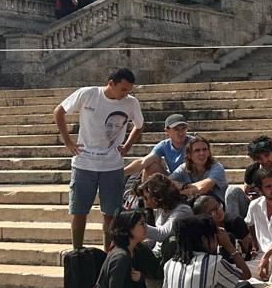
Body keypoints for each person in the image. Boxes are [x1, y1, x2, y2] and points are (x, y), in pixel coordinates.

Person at [55, 68, 144, 250]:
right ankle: (77, 251)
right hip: (84, 163)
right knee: (79, 212)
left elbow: (139, 125)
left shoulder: (130, 103)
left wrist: (126, 145)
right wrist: (68, 141)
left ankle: (108, 253)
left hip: (112, 165)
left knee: (110, 214)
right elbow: (59, 112)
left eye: (129, 90)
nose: (126, 94)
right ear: (111, 83)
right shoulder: (88, 94)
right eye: (123, 89)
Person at [138, 173, 193, 257]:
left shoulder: (183, 210)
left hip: (169, 257)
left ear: (158, 197)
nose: (145, 201)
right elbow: (154, 242)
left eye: (146, 198)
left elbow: (162, 234)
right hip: (156, 254)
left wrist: (138, 226)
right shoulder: (162, 209)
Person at [126, 113, 191, 180]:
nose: (181, 133)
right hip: (173, 179)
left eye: (183, 129)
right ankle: (144, 190)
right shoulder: (164, 145)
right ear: (167, 131)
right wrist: (120, 173)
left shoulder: (194, 143)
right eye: (176, 129)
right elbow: (143, 162)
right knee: (152, 166)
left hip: (193, 180)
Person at [170, 136, 228, 208]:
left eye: (204, 149)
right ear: (189, 155)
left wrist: (183, 187)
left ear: (209, 153)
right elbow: (167, 183)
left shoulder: (217, 167)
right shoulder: (183, 168)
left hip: (217, 207)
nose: (202, 153)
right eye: (197, 150)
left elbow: (202, 189)